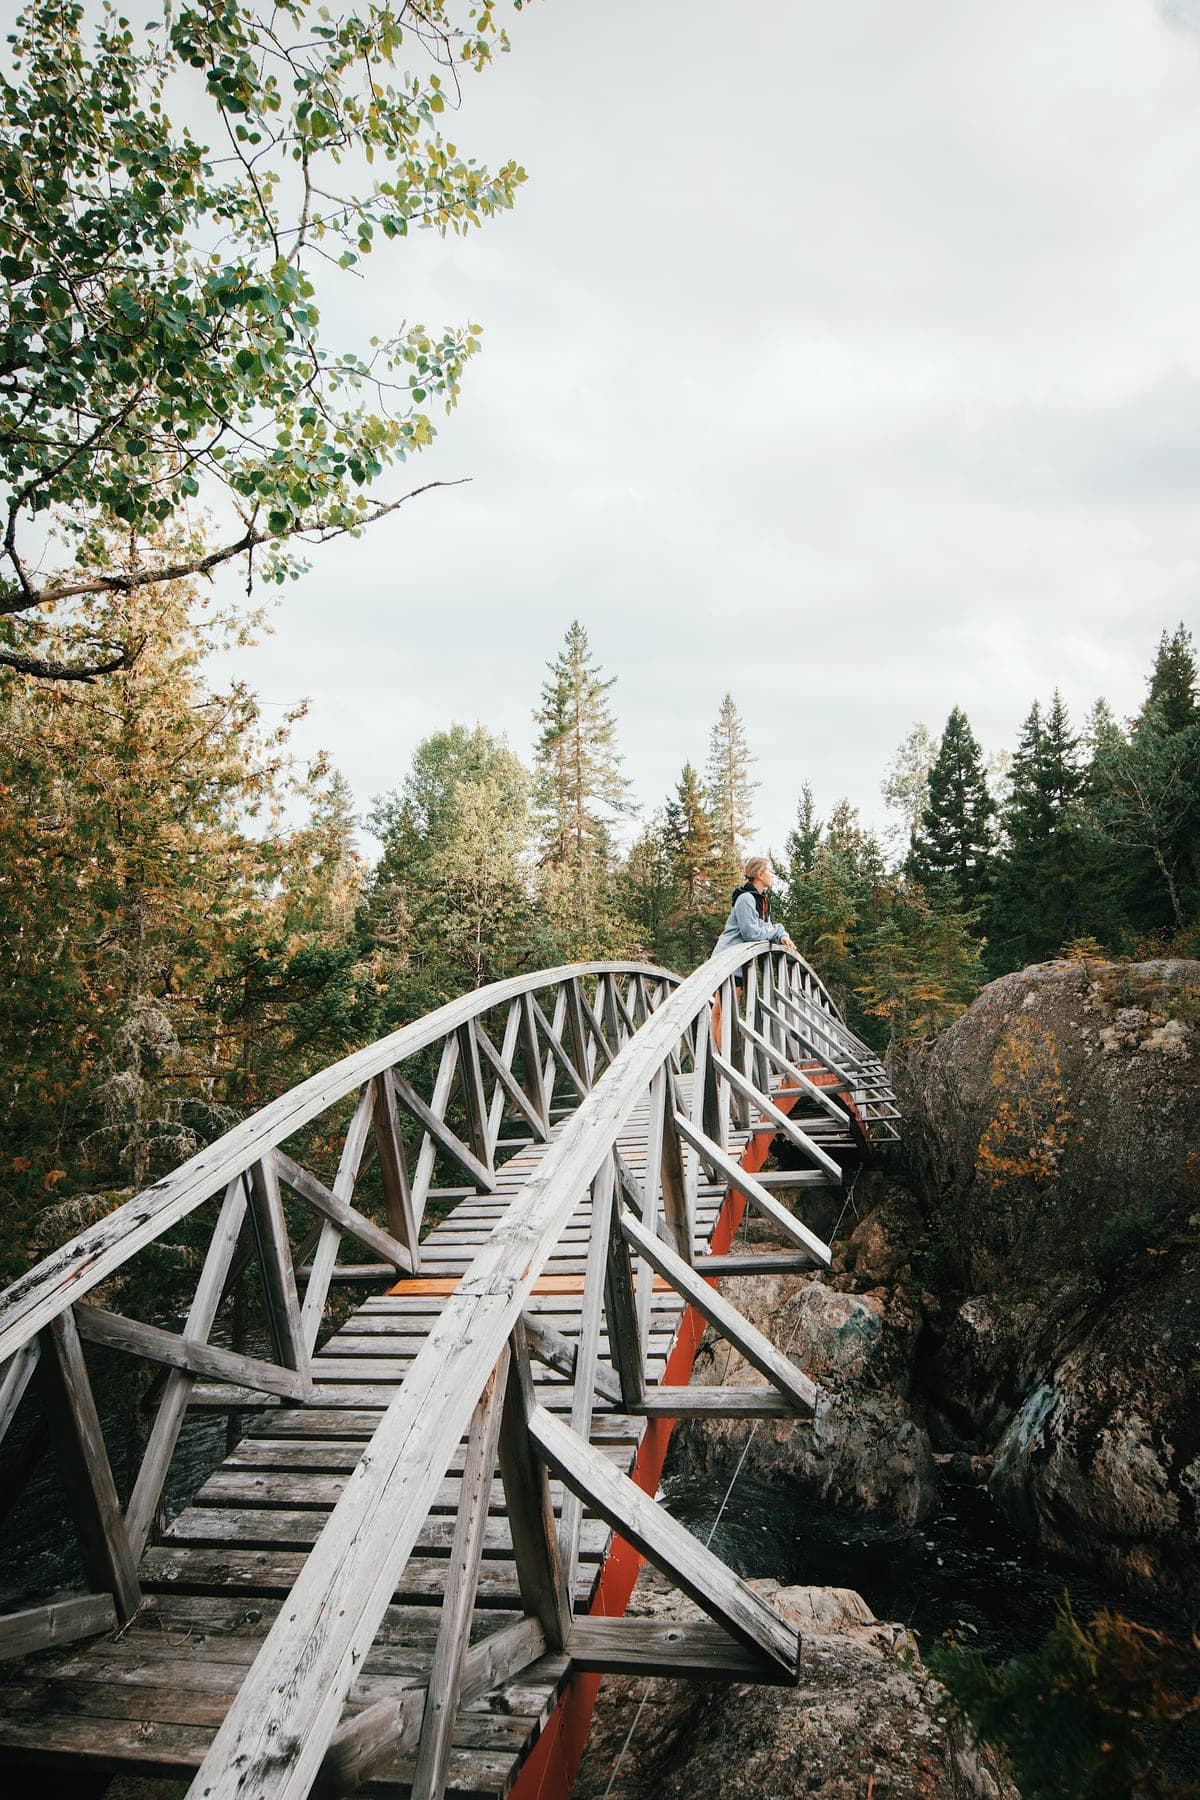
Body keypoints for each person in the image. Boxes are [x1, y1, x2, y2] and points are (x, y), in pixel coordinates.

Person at [711, 856, 794, 1051]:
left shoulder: (760, 900)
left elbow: (767, 927)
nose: (772, 876)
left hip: (733, 961)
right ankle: (724, 1062)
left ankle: (718, 1062)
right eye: (769, 871)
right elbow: (752, 933)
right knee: (724, 1012)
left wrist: (780, 932)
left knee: (720, 1012)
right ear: (759, 874)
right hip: (730, 961)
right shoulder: (746, 899)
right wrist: (778, 930)